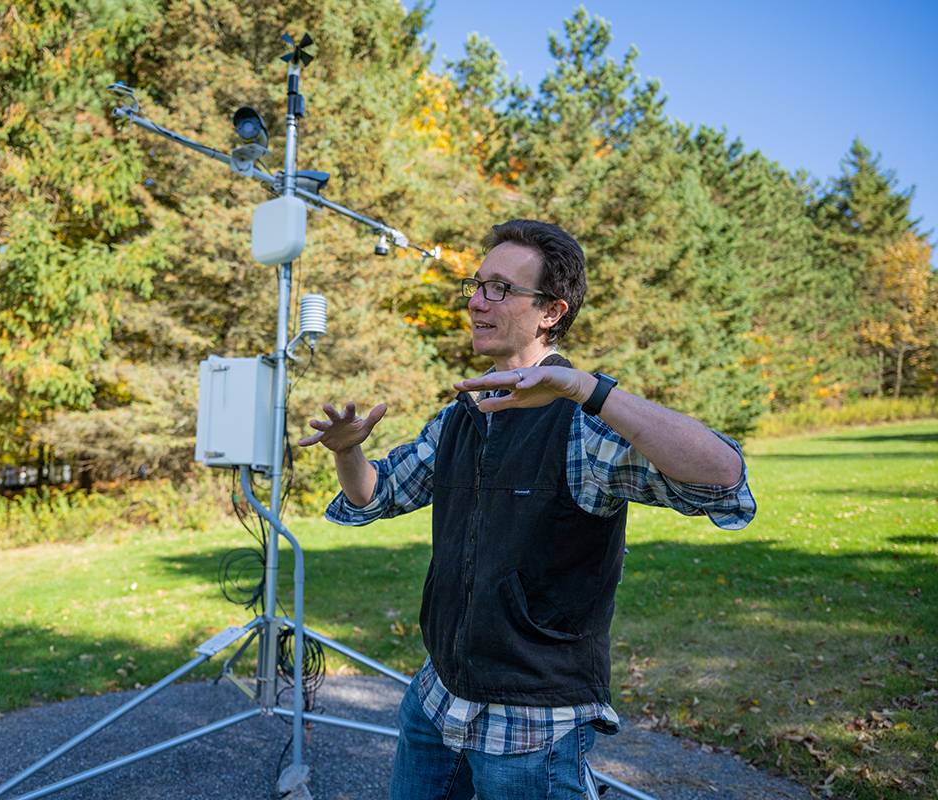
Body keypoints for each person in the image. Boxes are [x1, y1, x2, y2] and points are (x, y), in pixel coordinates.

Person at [298, 219, 757, 799]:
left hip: (531, 727)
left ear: (550, 311)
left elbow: (724, 477)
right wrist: (349, 451)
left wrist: (585, 389)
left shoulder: (582, 426)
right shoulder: (459, 417)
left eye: (498, 288)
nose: (475, 300)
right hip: (436, 702)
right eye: (476, 283)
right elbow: (376, 494)